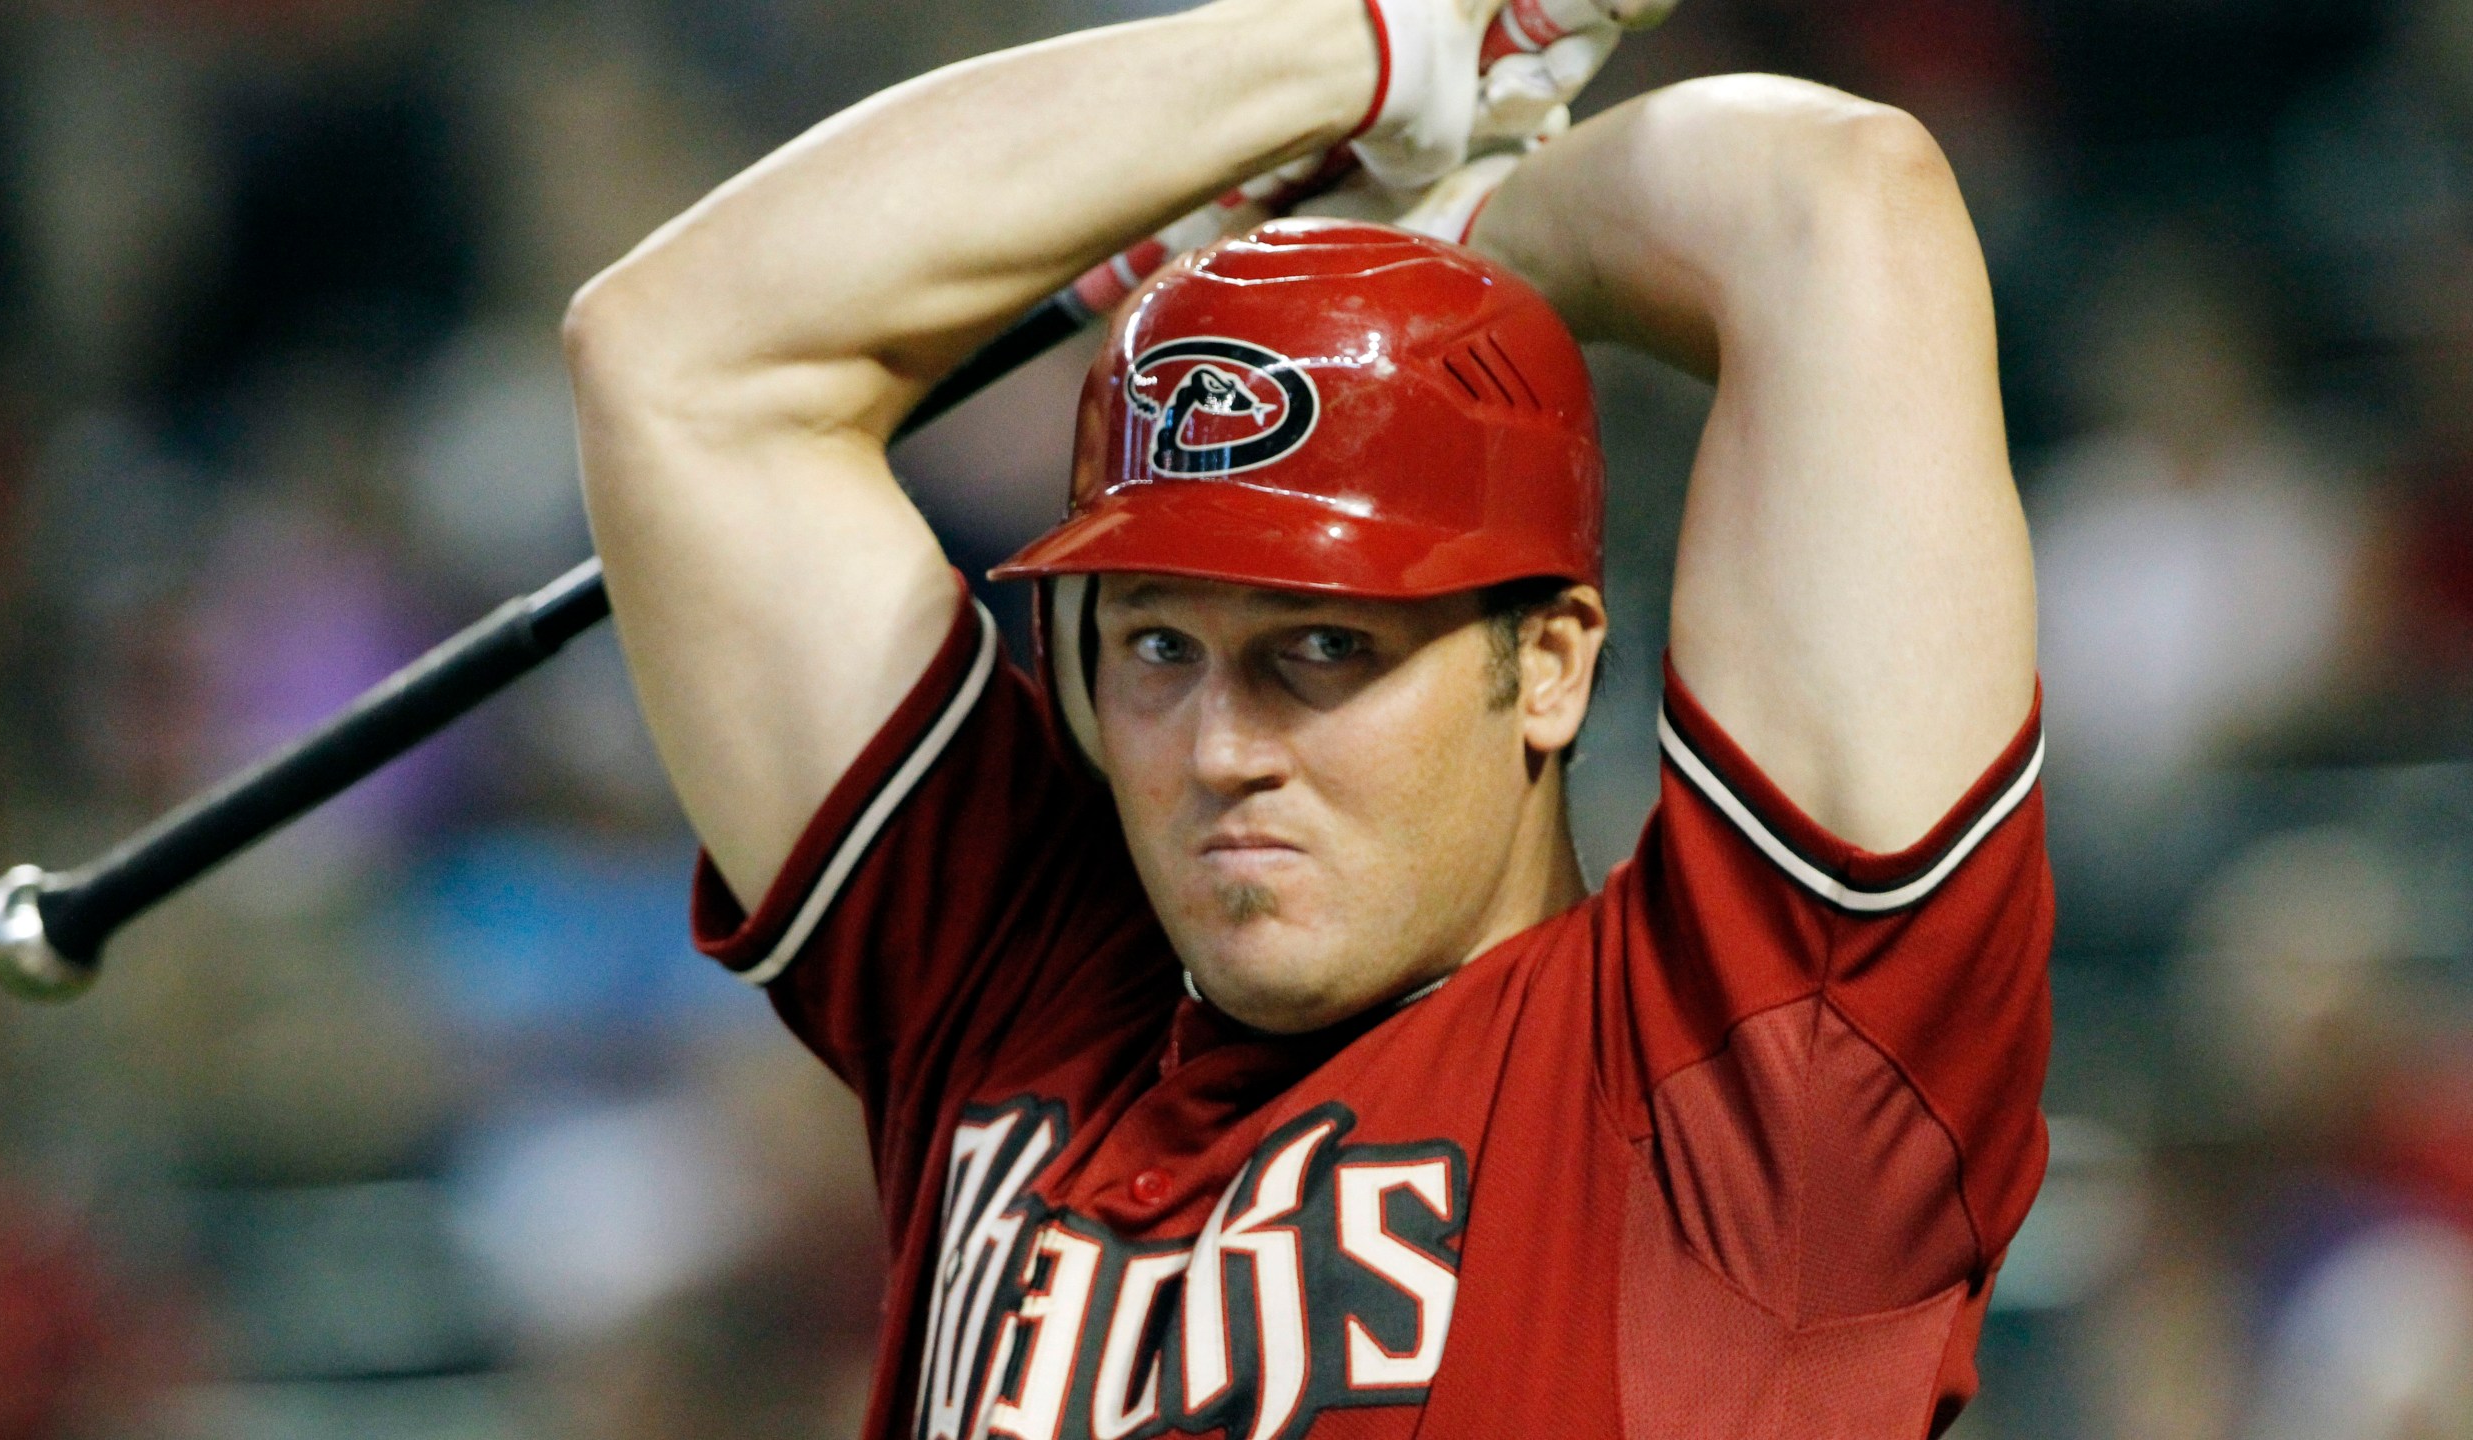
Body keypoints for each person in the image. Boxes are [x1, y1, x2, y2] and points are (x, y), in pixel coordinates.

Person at [562, 0, 2051, 1432]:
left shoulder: (1761, 1091)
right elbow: (678, 359)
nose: (1219, 748)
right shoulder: (1021, 983)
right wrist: (1366, 44)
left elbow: (1834, 210)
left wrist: (1452, 253)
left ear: (1548, 665)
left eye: (1324, 648)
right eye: (1157, 648)